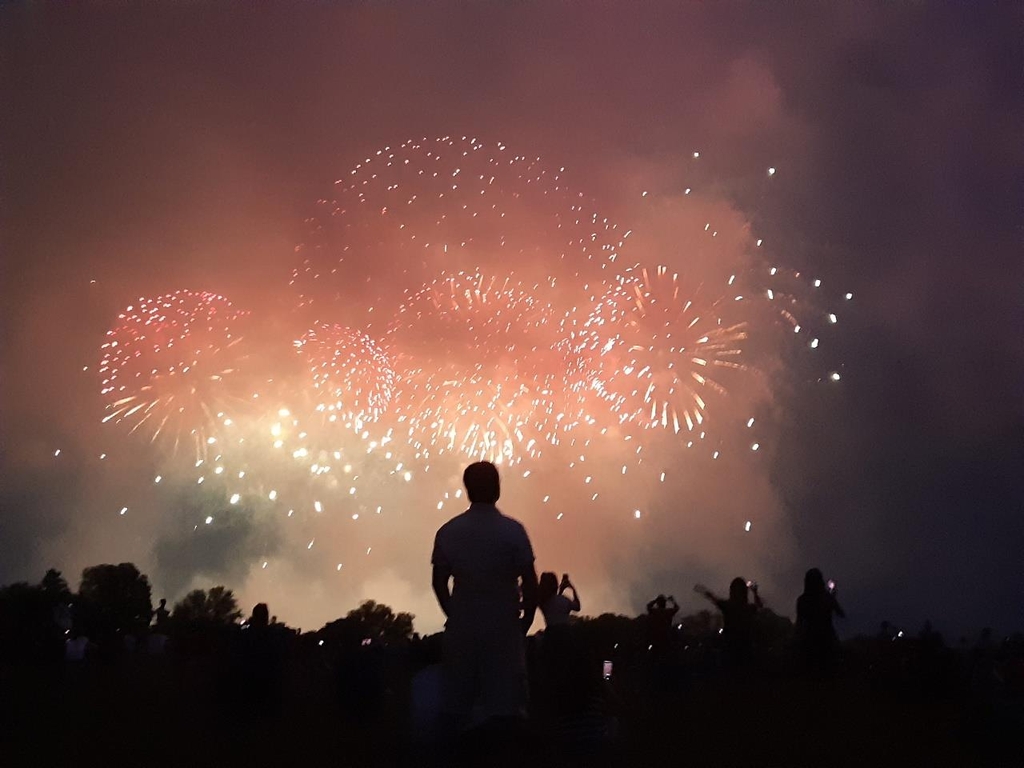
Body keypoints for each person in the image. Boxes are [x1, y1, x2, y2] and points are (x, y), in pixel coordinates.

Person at [431, 461, 539, 733]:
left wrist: (454, 614)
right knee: (505, 706)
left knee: (459, 701)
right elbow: (529, 580)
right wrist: (525, 620)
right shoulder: (513, 530)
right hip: (504, 627)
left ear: (467, 490)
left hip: (463, 627)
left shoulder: (449, 531)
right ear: (497, 488)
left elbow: (439, 582)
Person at [697, 578, 763, 666]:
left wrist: (704, 591)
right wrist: (755, 592)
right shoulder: (747, 608)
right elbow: (759, 606)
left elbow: (714, 599)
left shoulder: (728, 606)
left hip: (729, 646)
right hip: (745, 646)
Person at [796, 568, 845, 669]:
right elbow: (841, 614)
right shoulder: (827, 598)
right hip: (827, 640)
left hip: (809, 641)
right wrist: (833, 599)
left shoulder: (802, 600)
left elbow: (799, 623)